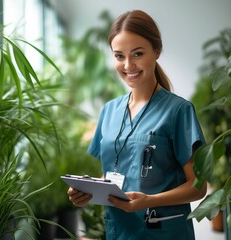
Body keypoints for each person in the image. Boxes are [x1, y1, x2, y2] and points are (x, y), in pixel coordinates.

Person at [67, 10, 207, 240]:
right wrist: (87, 191)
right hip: (119, 231)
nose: (128, 65)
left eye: (138, 53)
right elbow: (113, 175)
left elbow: (199, 187)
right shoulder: (109, 111)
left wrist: (149, 201)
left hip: (163, 232)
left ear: (157, 51)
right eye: (119, 56)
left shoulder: (179, 111)